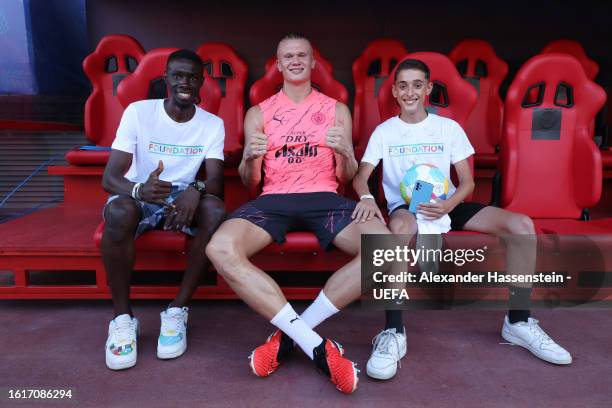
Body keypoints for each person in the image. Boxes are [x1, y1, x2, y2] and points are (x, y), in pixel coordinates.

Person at [352, 58, 572, 380]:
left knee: (521, 225)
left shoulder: (448, 128)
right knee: (397, 230)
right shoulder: (384, 132)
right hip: (407, 207)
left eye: (417, 85)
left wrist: (447, 206)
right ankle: (393, 332)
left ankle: (519, 322)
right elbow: (361, 177)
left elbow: (467, 183)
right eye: (403, 86)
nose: (410, 92)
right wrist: (368, 198)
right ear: (395, 92)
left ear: (428, 89)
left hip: (448, 203)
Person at [206, 34, 389, 394]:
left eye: (302, 55)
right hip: (274, 200)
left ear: (313, 62)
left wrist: (346, 154)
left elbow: (346, 177)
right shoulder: (258, 113)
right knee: (219, 248)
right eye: (287, 56)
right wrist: (248, 159)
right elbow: (250, 182)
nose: (295, 61)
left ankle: (293, 335)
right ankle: (318, 347)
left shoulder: (336, 109)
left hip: (325, 198)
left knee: (388, 250)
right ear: (276, 65)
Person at [101, 49, 225, 370]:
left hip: (180, 194)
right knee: (118, 213)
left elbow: (215, 183)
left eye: (192, 76)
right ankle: (123, 318)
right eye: (178, 75)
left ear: (201, 81)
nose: (185, 82)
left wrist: (195, 191)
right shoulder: (139, 112)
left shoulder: (212, 124)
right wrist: (139, 189)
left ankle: (177, 311)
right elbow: (110, 177)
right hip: (140, 191)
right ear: (167, 79)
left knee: (214, 209)